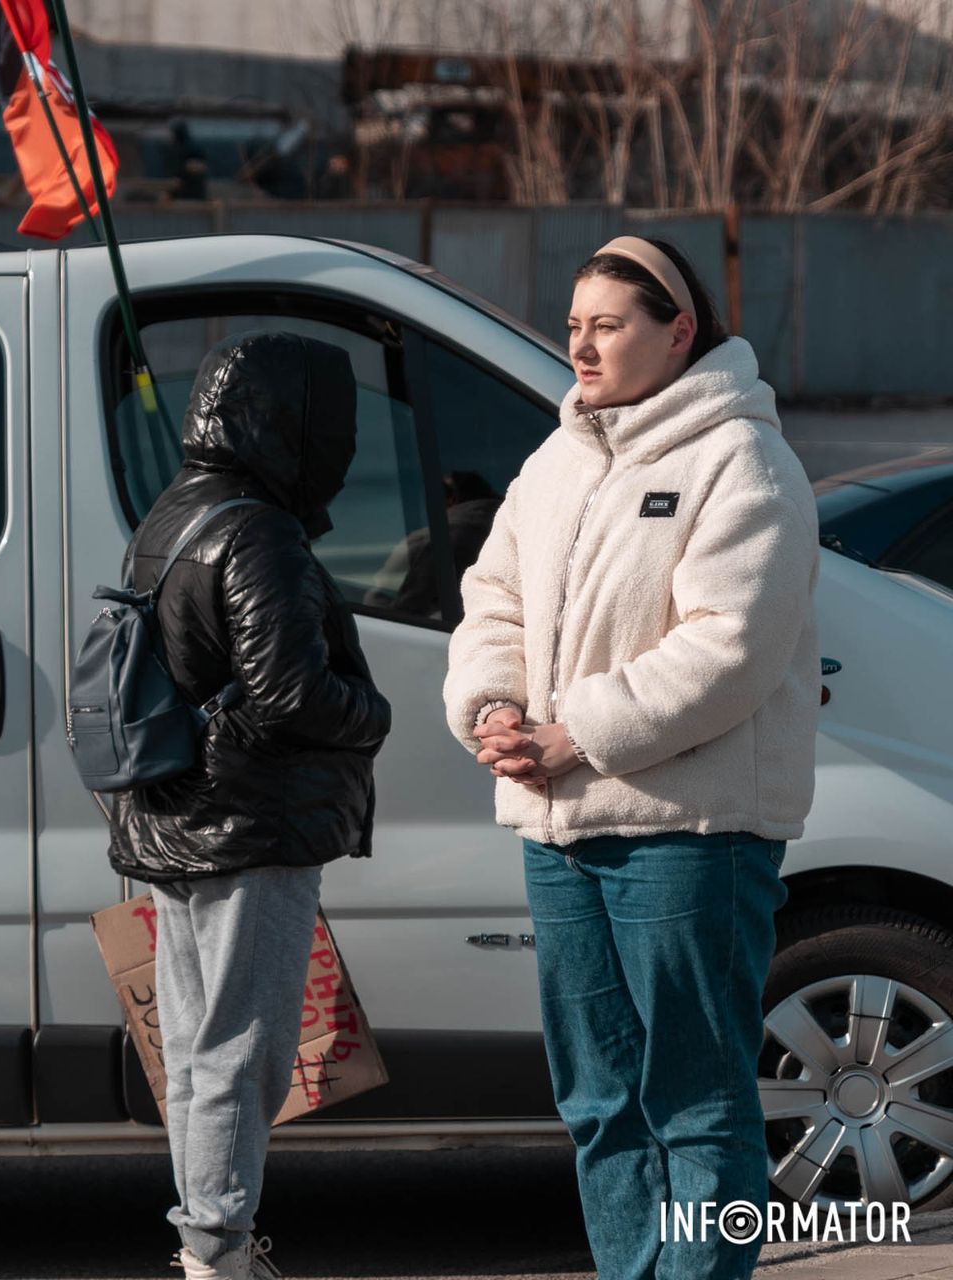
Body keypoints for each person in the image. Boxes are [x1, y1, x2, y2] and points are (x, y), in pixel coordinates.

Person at [443, 237, 819, 1280]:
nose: (582, 344)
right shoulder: (557, 458)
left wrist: (580, 732)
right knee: (598, 1101)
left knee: (697, 1102)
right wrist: (495, 708)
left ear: (679, 331)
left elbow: (728, 647)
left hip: (687, 837)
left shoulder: (743, 460)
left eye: (607, 323)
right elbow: (494, 598)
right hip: (559, 830)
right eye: (574, 325)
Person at [110, 331, 392, 1280]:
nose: (344, 453)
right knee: (242, 1049)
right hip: (252, 824)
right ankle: (220, 1254)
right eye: (335, 426)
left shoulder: (170, 515)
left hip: (173, 817)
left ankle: (206, 1242)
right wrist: (374, 712)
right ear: (289, 424)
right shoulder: (256, 530)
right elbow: (293, 695)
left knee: (195, 1049)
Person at [363, 469, 502, 617]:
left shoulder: (433, 541)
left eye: (440, 492)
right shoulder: (515, 532)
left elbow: (399, 607)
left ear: (452, 498)